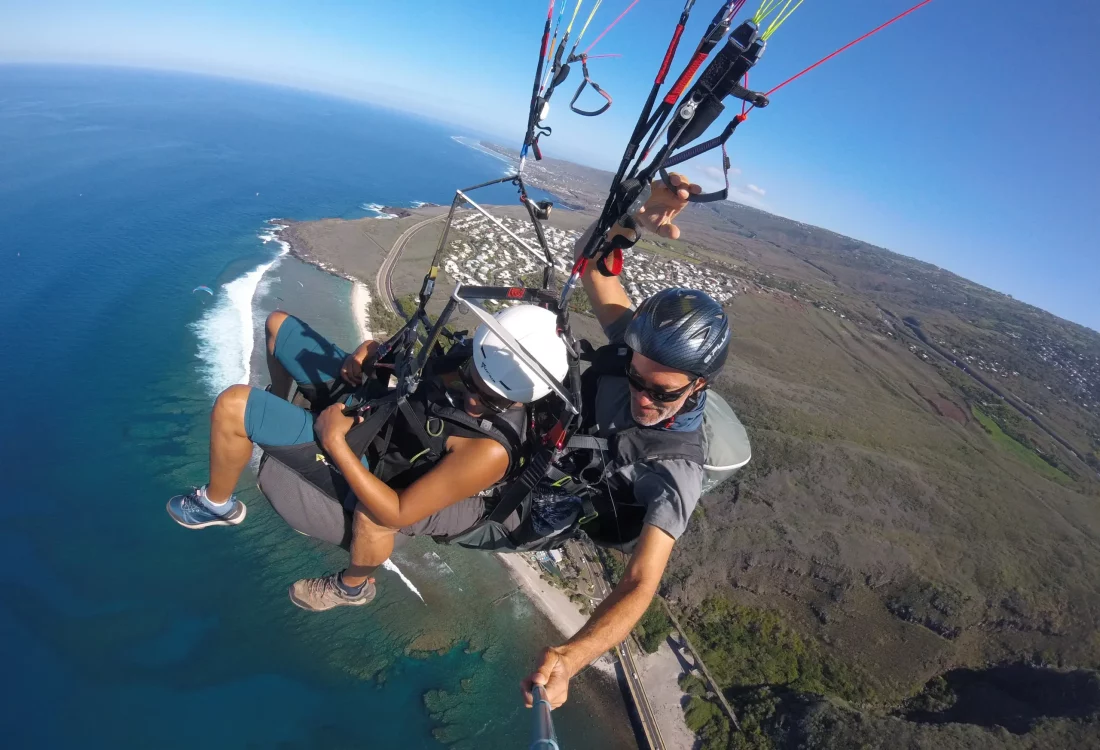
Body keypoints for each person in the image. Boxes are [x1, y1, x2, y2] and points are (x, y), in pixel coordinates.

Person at [166, 302, 570, 611]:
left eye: (488, 402)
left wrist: (334, 441)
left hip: (377, 463)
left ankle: (221, 507)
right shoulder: (468, 356)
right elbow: (407, 366)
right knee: (277, 325)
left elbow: (395, 513)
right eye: (469, 383)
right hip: (379, 415)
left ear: (514, 402)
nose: (472, 401)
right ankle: (282, 404)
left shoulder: (491, 450)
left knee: (234, 407)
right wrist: (368, 353)